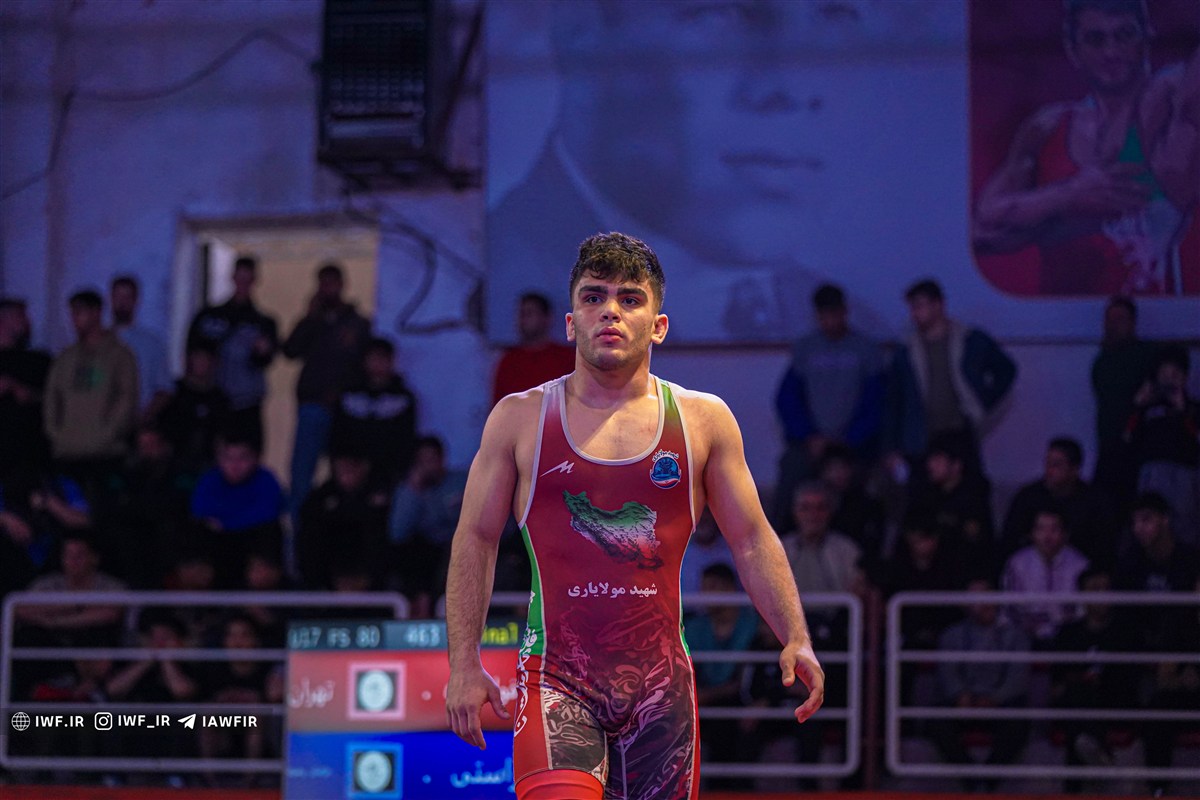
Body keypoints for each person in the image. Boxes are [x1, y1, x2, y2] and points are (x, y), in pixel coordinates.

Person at [445, 232, 824, 800]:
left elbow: (750, 538)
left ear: (658, 325)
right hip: (557, 680)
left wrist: (795, 635)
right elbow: (476, 538)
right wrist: (462, 663)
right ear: (571, 322)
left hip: (662, 693)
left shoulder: (703, 421)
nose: (610, 312)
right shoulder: (519, 419)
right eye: (593, 297)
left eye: (629, 299)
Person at [486, 1, 940, 343]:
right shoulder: (519, 297)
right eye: (721, 13)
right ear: (581, 29)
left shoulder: (861, 325)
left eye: (835, 15)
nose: (795, 86)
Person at [973, 0, 1200, 295]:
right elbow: (983, 226)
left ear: (1147, 36)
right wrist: (1069, 196)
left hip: (1159, 315)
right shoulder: (1048, 127)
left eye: (1124, 35)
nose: (1111, 52)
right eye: (1095, 39)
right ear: (1073, 48)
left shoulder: (1173, 106)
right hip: (1062, 314)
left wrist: (1052, 219)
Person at [772, 283, 885, 529]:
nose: (830, 321)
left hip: (855, 445)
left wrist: (850, 439)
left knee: (875, 489)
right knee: (789, 476)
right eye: (824, 315)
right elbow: (787, 400)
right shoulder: (805, 349)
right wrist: (809, 436)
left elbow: (877, 402)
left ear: (845, 311)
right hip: (811, 445)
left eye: (835, 313)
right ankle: (777, 541)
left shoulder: (866, 349)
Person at [884, 279, 1017, 470]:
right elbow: (894, 400)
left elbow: (1006, 369)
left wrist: (983, 399)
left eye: (919, 306)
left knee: (968, 485)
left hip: (960, 433)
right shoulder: (906, 350)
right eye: (912, 308)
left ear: (938, 305)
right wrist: (891, 447)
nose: (914, 314)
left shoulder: (970, 340)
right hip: (921, 438)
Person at [281, 263, 371, 516]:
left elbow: (367, 366)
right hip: (312, 407)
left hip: (347, 411)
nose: (328, 289)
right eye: (323, 283)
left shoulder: (358, 324)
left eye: (332, 283)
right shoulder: (313, 321)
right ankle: (300, 535)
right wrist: (310, 318)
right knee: (301, 476)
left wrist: (344, 392)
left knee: (345, 478)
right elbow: (289, 351)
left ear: (342, 285)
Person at [932, 578, 1031, 791]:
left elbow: (1018, 677)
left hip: (1000, 703)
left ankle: (989, 779)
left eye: (987, 595)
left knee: (1019, 722)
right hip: (964, 703)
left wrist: (996, 698)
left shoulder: (1015, 635)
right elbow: (948, 672)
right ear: (965, 604)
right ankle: (970, 776)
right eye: (976, 597)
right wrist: (960, 694)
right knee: (935, 721)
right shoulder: (951, 635)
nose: (984, 602)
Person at [43, 290, 139, 494]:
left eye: (80, 312)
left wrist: (108, 434)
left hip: (106, 454)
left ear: (96, 313)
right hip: (67, 451)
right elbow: (52, 398)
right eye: (73, 313)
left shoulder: (119, 355)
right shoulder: (65, 358)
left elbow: (127, 398)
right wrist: (56, 433)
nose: (74, 319)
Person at [186, 255, 278, 444]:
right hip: (210, 400)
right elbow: (191, 354)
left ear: (254, 280)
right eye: (240, 277)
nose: (243, 283)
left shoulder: (264, 323)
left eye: (247, 278)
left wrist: (262, 350)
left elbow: (266, 361)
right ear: (232, 277)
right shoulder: (209, 317)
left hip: (247, 404)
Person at [190, 429, 285, 588]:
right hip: (218, 546)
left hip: (252, 542)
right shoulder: (209, 480)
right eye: (228, 458)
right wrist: (242, 515)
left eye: (242, 458)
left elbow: (267, 513)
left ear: (255, 458)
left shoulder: (266, 480)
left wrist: (226, 522)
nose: (234, 465)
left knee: (269, 531)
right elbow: (200, 510)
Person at [1124, 344, 1200, 545]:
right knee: (1150, 521)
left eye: (1175, 374)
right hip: (1151, 471)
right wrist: (1138, 406)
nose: (1169, 380)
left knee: (1185, 523)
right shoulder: (1148, 408)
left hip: (1184, 473)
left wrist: (1183, 410)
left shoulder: (1192, 407)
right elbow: (1128, 438)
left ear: (1184, 377)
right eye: (1164, 375)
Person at [1000, 437, 1118, 565]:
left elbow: (1105, 547)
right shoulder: (1028, 497)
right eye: (1047, 463)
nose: (1049, 471)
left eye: (1056, 465)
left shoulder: (1096, 502)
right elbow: (1010, 540)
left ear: (1075, 469)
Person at [1090, 295, 1158, 509]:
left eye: (1120, 319)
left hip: (1141, 451)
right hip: (1109, 449)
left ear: (1132, 323)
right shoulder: (1101, 362)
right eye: (1109, 319)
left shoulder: (1150, 355)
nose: (1113, 325)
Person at [330, 336, 418, 482]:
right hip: (349, 474)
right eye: (374, 358)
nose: (378, 364)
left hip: (388, 474)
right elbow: (338, 434)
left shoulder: (403, 398)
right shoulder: (349, 395)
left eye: (383, 358)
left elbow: (406, 439)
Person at [1001, 506, 1090, 645]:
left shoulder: (1080, 564)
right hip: (1025, 635)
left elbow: (1082, 609)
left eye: (1054, 529)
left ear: (1065, 534)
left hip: (1069, 636)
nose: (1047, 537)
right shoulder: (1017, 563)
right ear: (1032, 533)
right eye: (1041, 529)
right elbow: (1010, 606)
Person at [492, 292, 576, 406]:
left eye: (529, 313)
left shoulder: (566, 358)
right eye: (521, 314)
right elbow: (499, 406)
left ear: (546, 318)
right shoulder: (509, 361)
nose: (523, 320)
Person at [0, 297, 52, 475]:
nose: (27, 322)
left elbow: (56, 399)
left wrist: (21, 391)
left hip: (31, 455)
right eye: (20, 316)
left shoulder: (38, 361)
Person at [110, 275, 172, 419]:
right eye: (118, 297)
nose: (122, 303)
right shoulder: (98, 342)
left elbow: (164, 389)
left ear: (136, 300)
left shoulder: (152, 344)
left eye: (127, 297)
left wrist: (143, 418)